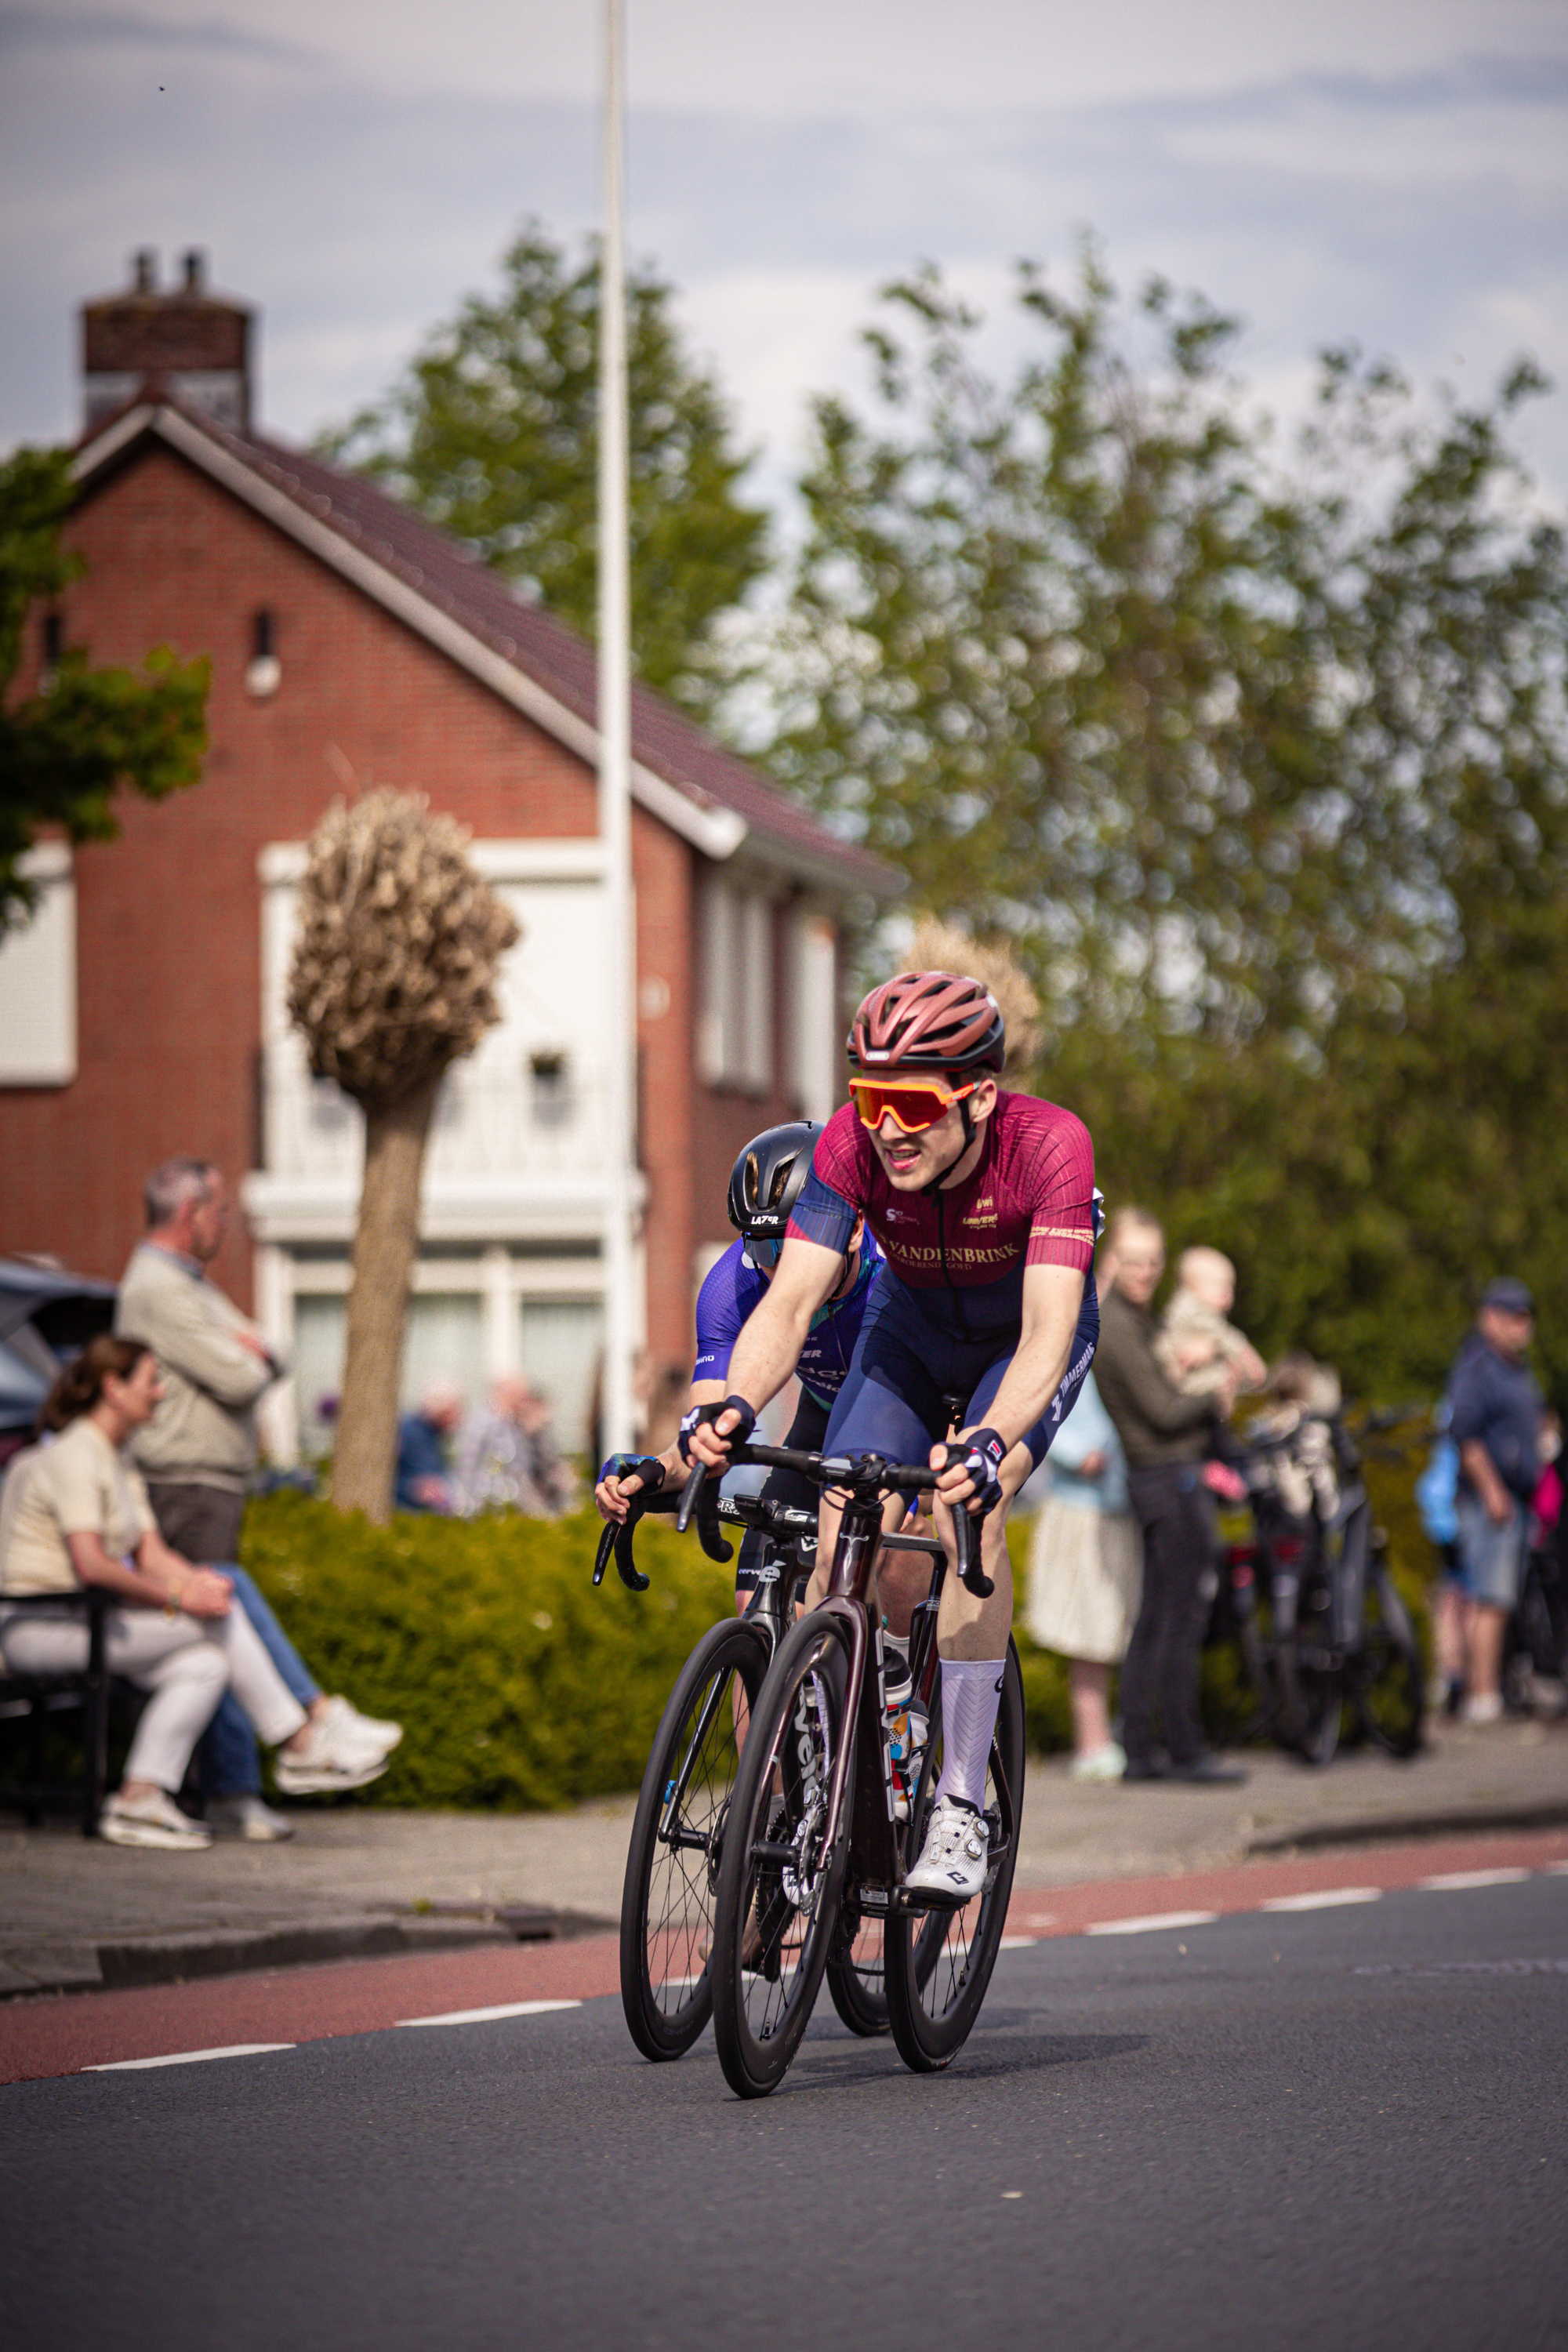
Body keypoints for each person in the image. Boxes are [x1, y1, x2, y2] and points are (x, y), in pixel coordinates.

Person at [686, 972, 1102, 1901]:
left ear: (980, 1096)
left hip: (1018, 1346)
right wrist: (732, 1408)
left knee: (967, 1511)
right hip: (907, 1332)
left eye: (911, 1104)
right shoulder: (849, 1144)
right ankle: (847, 1755)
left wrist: (989, 1443)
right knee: (844, 1511)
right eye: (870, 1101)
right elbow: (790, 1299)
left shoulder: (1049, 1149)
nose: (887, 1128)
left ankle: (957, 1800)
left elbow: (1044, 1332)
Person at [0, 1338, 382, 1850]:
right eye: (151, 1381)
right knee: (209, 1625)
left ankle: (139, 1797)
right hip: (37, 1629)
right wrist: (179, 1601)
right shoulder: (74, 1455)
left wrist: (199, 1587)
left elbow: (153, 1555)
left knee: (207, 1661)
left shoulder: (119, 1459)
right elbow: (92, 1564)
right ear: (114, 1388)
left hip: (90, 1623)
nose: (161, 1393)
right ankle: (299, 1741)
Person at [117, 1156, 399, 1837]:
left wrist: (255, 1352)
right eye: (218, 1212)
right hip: (183, 1479)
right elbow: (244, 1375)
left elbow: (266, 1349)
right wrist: (251, 1355)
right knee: (217, 1603)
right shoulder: (158, 1287)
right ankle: (288, 1742)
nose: (225, 1225)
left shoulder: (188, 1284)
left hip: (209, 1480)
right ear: (190, 1215)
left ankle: (246, 1782)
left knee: (218, 1615)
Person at [596, 1120, 895, 1610]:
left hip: (911, 1413)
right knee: (756, 1602)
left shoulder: (892, 1264)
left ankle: (899, 1667)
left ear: (853, 1230)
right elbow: (710, 1431)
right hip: (821, 1421)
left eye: (797, 1243)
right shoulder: (730, 1286)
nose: (779, 1267)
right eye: (763, 1248)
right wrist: (656, 1469)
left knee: (891, 1540)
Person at [1093, 1208, 1246, 1784]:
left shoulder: (1139, 1319)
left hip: (1164, 1477)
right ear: (1114, 1261)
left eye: (1154, 1262)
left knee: (1159, 1614)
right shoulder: (1118, 1325)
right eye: (1135, 1261)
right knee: (1178, 1615)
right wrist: (1214, 1394)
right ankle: (1176, 1748)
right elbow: (1161, 1412)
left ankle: (1147, 1748)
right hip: (1164, 1478)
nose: (1146, 1272)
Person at [1025, 1364, 1141, 1781]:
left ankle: (1103, 1740)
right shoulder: (1070, 1352)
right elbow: (1036, 1411)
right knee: (1087, 1634)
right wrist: (1077, 1453)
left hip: (1114, 1509)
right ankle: (1092, 1744)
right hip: (1080, 1511)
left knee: (1107, 1633)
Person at [1448, 1278, 1544, 1725]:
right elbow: (1465, 1436)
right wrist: (1492, 1492)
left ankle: (1488, 1689)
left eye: (1525, 1318)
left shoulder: (1515, 1368)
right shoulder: (1478, 1367)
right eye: (1513, 1317)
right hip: (1493, 1501)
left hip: (1517, 1499)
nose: (1522, 1327)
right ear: (1491, 1317)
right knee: (1490, 1598)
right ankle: (1480, 1695)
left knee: (1500, 1598)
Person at [456, 1377, 571, 1517]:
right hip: (491, 1509)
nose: (525, 1401)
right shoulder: (484, 1425)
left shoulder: (513, 1424)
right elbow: (470, 1469)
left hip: (513, 1508)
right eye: (523, 1395)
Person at [395, 1381, 465, 1513]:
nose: (458, 1418)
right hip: (407, 1512)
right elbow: (386, 1477)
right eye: (452, 1411)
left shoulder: (439, 1434)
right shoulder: (407, 1432)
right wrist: (414, 1488)